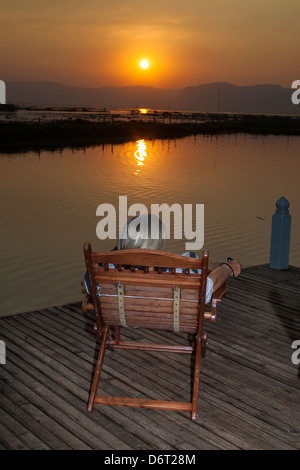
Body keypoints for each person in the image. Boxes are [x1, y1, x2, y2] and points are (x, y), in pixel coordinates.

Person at [84, 213, 241, 304]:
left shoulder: (101, 272)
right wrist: (226, 269)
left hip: (123, 317)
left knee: (191, 258)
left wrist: (119, 252)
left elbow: (87, 284)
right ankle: (216, 265)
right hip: (165, 314)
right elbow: (205, 292)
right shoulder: (178, 272)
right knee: (191, 258)